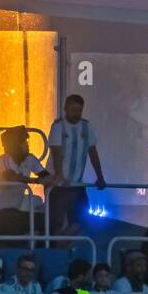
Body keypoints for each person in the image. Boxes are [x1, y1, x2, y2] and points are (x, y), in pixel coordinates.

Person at [46, 94, 107, 237]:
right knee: (57, 221)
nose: (77, 114)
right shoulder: (58, 127)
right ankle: (54, 247)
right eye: (73, 110)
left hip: (77, 183)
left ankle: (61, 246)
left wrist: (100, 177)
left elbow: (93, 152)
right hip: (58, 184)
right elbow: (56, 152)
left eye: (79, 110)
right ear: (66, 109)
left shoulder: (86, 127)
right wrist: (60, 176)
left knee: (82, 220)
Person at [0, 127, 51, 236]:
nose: (27, 144)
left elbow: (46, 176)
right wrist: (36, 180)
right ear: (15, 145)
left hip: (13, 211)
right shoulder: (4, 159)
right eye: (23, 142)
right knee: (13, 221)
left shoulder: (30, 159)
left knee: (45, 220)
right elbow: (12, 177)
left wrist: (54, 180)